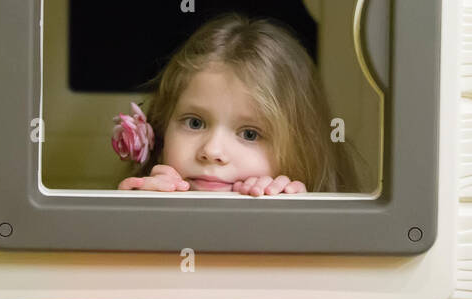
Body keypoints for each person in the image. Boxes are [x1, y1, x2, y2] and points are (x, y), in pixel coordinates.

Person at [113, 14, 354, 195]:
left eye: (250, 134)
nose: (212, 151)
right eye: (195, 123)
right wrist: (139, 217)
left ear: (302, 153)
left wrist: (294, 223)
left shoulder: (307, 223)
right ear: (162, 131)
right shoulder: (149, 195)